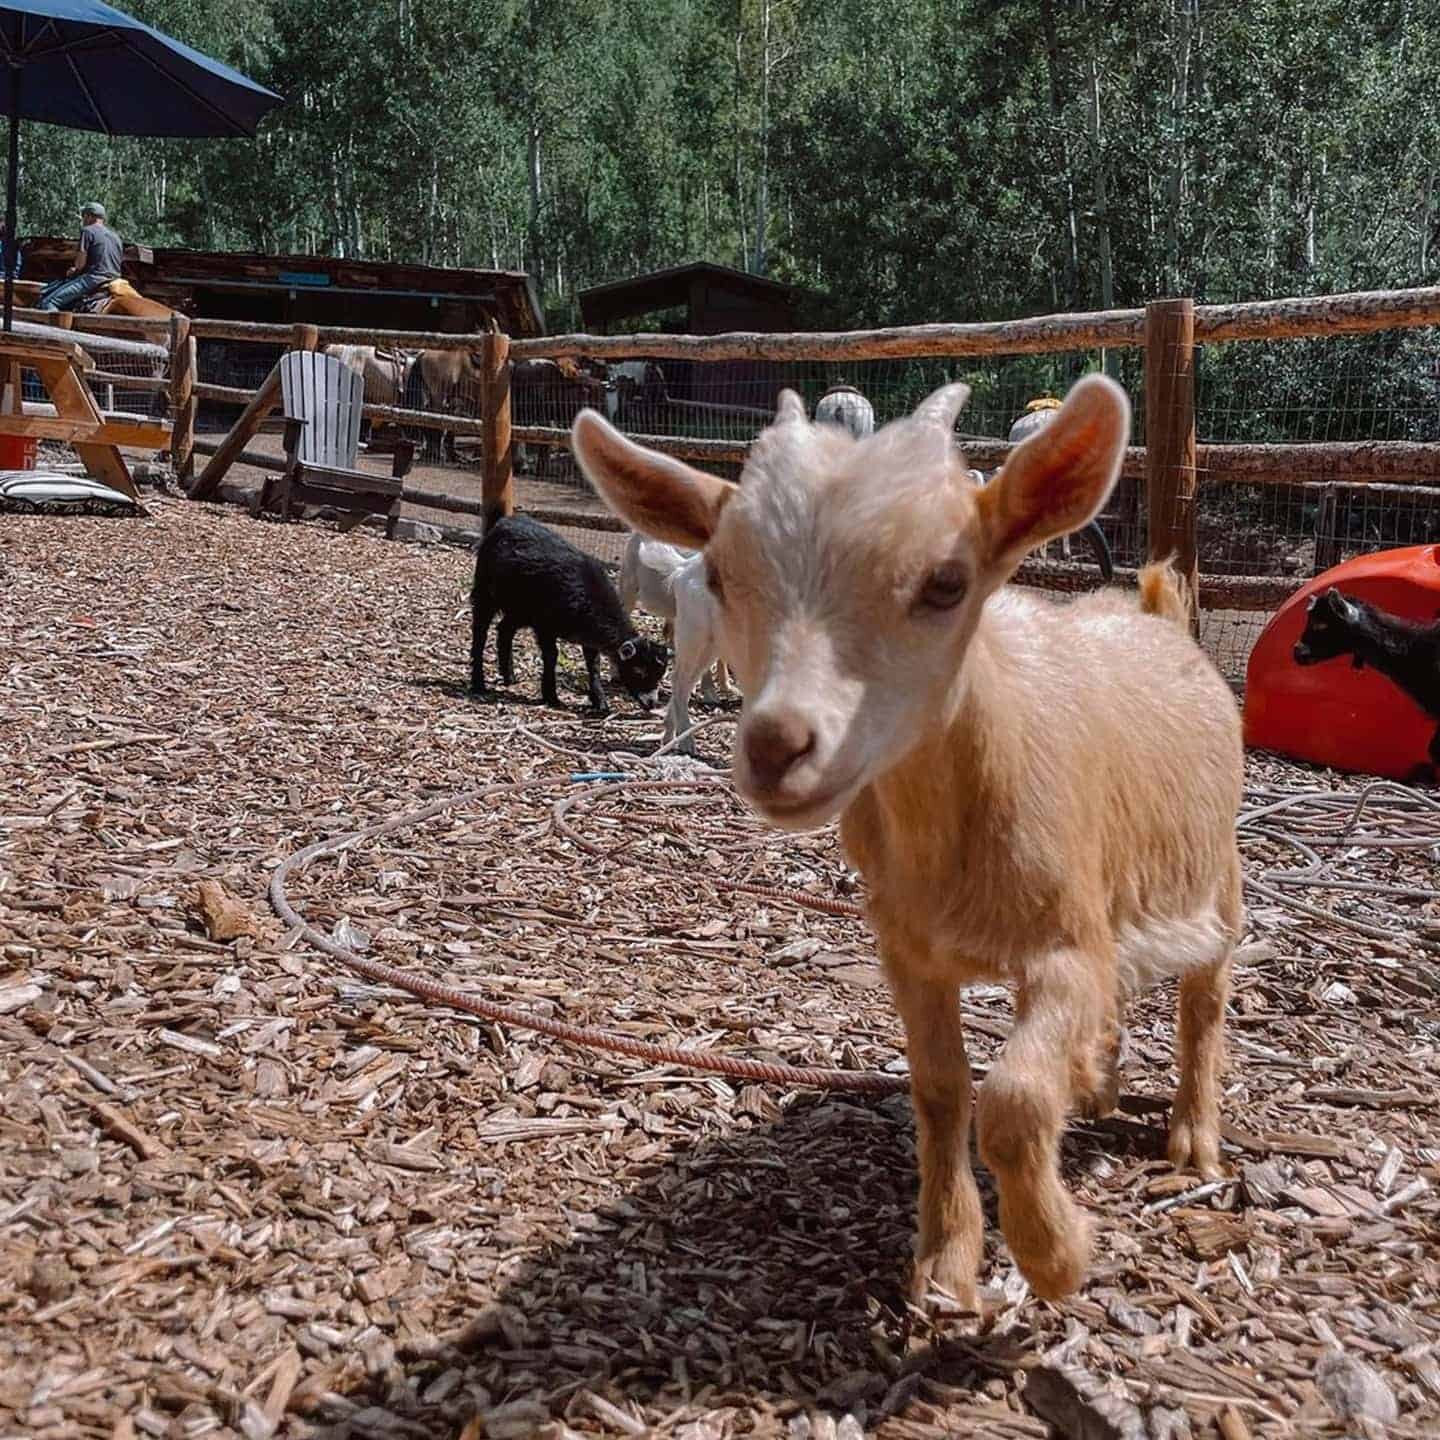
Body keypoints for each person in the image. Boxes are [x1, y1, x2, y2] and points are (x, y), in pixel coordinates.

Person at [37, 202, 123, 312]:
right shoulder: (115, 237)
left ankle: (58, 327)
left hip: (94, 279)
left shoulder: (88, 231)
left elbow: (80, 264)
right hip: (115, 279)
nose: (83, 219)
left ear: (89, 216)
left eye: (84, 216)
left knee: (49, 302)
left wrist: (73, 270)